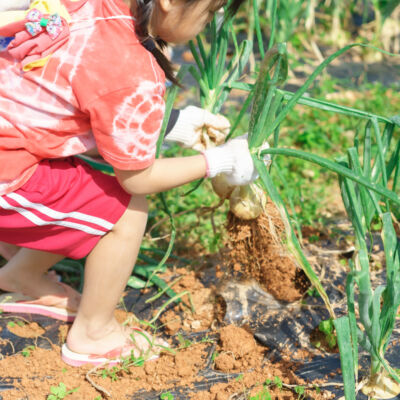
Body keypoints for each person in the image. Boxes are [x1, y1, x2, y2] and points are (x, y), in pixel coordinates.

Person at [0, 0, 260, 367]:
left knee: (83, 190)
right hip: (7, 174)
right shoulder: (132, 67)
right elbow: (138, 178)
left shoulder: (97, 7)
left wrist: (174, 125)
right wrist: (218, 161)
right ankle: (93, 334)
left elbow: (83, 100)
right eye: (209, 12)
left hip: (13, 140)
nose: (209, 23)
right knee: (124, 210)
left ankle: (22, 276)